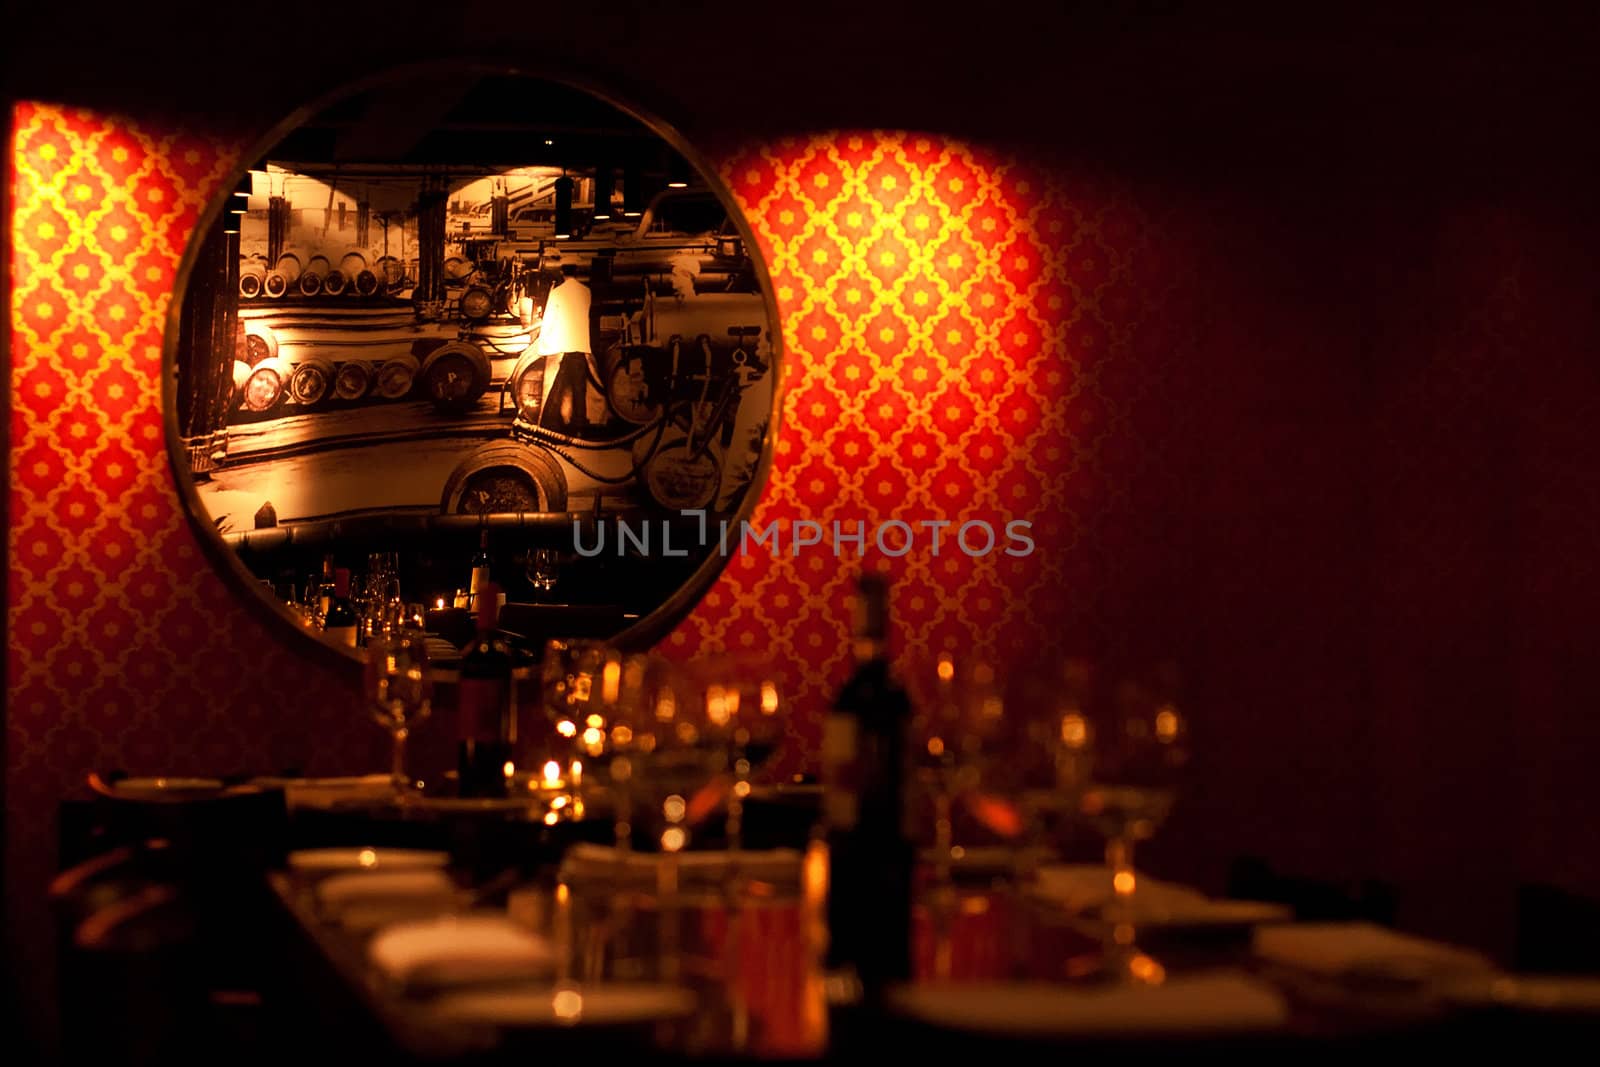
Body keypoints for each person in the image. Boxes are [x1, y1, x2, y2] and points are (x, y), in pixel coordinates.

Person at [534, 263, 605, 434]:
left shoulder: (557, 293)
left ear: (561, 272)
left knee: (557, 387)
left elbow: (550, 319)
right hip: (580, 346)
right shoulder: (586, 291)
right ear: (577, 272)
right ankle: (579, 426)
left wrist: (543, 344)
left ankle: (553, 425)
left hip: (561, 347)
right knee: (579, 389)